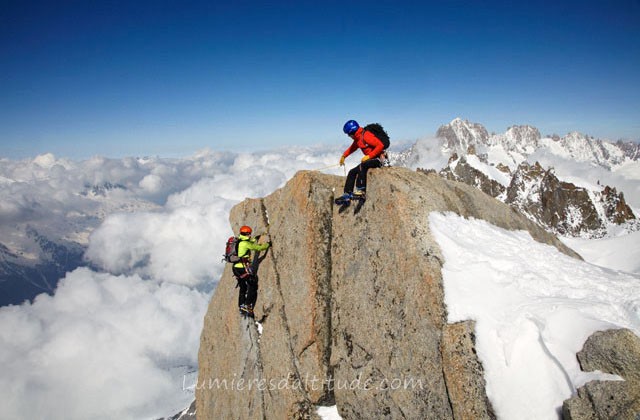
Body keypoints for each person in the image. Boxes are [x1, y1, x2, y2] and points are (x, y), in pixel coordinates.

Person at [336, 119, 385, 204]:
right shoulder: (358, 139)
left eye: (348, 134)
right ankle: (347, 195)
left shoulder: (366, 136)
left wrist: (369, 156)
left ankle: (361, 191)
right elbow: (352, 148)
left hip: (378, 159)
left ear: (352, 132)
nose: (348, 136)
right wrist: (344, 156)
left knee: (362, 166)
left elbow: (380, 145)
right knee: (352, 172)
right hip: (370, 160)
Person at [232, 225, 270, 318]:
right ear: (247, 234)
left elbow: (249, 241)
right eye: (249, 233)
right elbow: (258, 248)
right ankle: (247, 304)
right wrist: (267, 245)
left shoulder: (240, 240)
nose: (250, 235)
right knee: (252, 284)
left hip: (236, 268)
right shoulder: (245, 243)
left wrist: (254, 239)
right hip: (242, 268)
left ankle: (241, 306)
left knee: (243, 287)